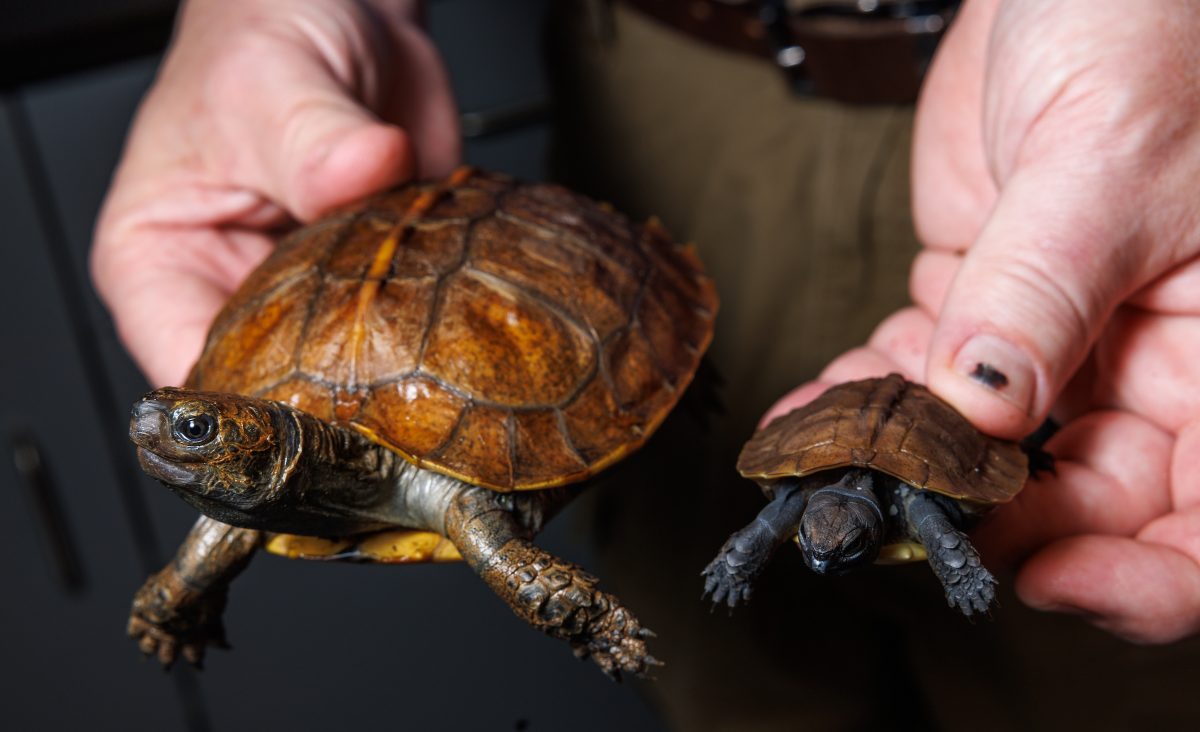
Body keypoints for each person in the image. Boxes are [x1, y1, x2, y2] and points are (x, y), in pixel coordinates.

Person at [92, 0, 1200, 727]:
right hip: (677, 76)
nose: (166, 432)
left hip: (1114, 59)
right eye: (182, 425)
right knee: (741, 681)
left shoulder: (391, 487)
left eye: (191, 426)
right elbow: (227, 523)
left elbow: (498, 552)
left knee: (1092, 671)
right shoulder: (249, 490)